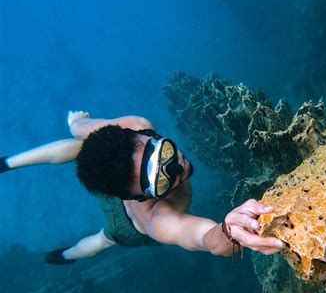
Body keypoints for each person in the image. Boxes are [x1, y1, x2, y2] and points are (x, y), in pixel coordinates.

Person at [1, 111, 284, 264]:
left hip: (119, 180)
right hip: (129, 227)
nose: (178, 168)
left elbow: (98, 130)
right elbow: (205, 239)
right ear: (138, 195)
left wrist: (80, 123)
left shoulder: (138, 125)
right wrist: (229, 231)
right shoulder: (157, 221)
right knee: (103, 241)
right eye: (161, 179)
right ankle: (66, 256)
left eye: (164, 152)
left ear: (142, 136)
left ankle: (8, 162)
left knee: (83, 142)